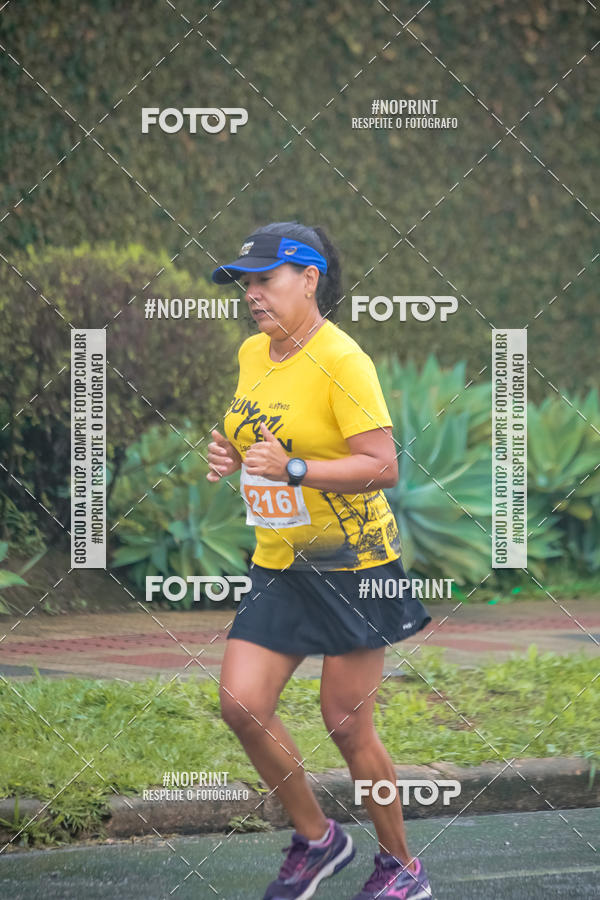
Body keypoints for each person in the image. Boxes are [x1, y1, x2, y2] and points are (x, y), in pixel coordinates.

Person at [207, 221, 433, 900]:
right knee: (241, 706)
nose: (253, 294)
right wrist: (225, 450)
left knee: (346, 725)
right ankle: (318, 841)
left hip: (354, 569)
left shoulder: (343, 359)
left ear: (309, 280)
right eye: (245, 283)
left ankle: (402, 868)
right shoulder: (254, 353)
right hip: (280, 564)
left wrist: (296, 467)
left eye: (265, 280)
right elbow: (251, 430)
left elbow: (383, 465)